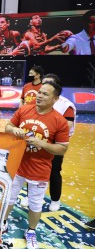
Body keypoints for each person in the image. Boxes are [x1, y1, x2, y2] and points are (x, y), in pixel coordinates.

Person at [3, 81, 70, 249]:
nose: (39, 95)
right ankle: (2, 222)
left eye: (45, 94)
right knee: (9, 197)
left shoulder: (59, 121)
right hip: (17, 164)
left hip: (39, 169)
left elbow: (62, 149)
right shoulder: (25, 110)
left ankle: (31, 231)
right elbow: (8, 127)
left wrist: (43, 144)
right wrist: (14, 130)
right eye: (39, 92)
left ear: (55, 99)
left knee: (35, 203)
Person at [41, 74, 76, 211]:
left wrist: (46, 132)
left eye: (49, 83)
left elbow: (67, 125)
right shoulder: (37, 102)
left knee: (54, 172)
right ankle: (30, 196)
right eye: (44, 83)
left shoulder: (66, 105)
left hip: (55, 145)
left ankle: (55, 199)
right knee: (33, 171)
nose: (45, 86)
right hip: (39, 142)